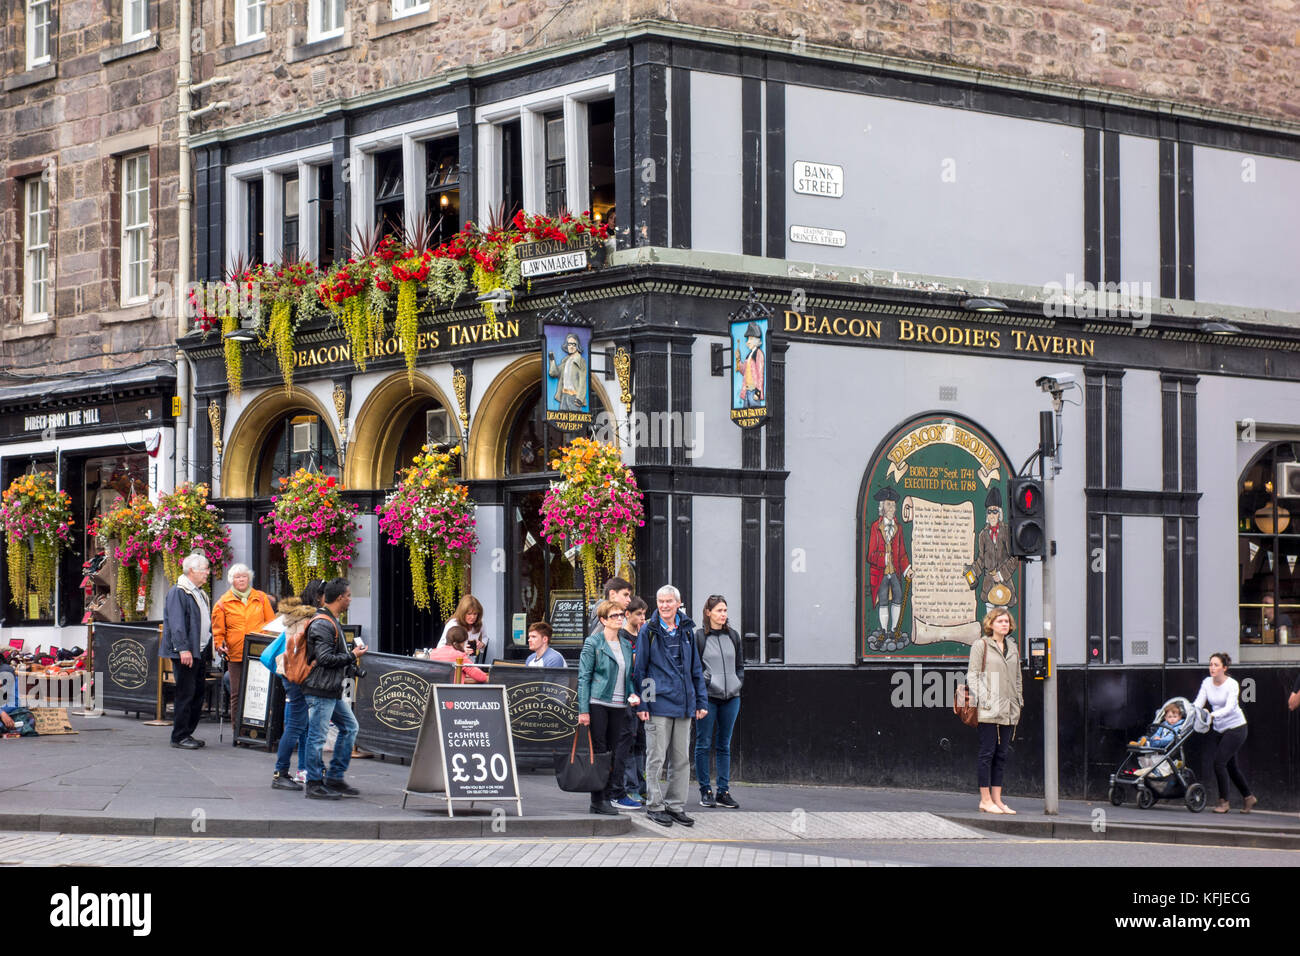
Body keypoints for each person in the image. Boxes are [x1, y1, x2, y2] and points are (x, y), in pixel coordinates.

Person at [633, 585, 707, 828]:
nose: (664, 605)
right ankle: (655, 805)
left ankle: (675, 806)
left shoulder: (687, 630)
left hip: (685, 704)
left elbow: (696, 669)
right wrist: (643, 702)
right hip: (657, 704)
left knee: (681, 759)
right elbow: (641, 669)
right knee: (655, 758)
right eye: (660, 601)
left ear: (678, 603)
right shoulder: (648, 630)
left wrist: (700, 701)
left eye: (668, 601)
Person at [301, 578, 368, 800]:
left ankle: (335, 778)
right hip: (320, 689)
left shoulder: (331, 620)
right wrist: (353, 656)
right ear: (340, 598)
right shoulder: (323, 623)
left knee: (350, 727)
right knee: (317, 737)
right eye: (348, 595)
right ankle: (314, 783)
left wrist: (349, 660)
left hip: (330, 688)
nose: (350, 599)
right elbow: (325, 658)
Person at [577, 600, 641, 815]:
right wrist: (583, 710)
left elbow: (628, 675)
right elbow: (584, 677)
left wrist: (632, 692)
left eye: (621, 615)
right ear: (603, 620)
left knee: (613, 753)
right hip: (598, 703)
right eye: (614, 616)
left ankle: (607, 797)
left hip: (619, 705)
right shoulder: (593, 643)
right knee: (601, 752)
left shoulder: (625, 643)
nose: (619, 618)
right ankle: (597, 800)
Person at [260, 580, 324, 790]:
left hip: (292, 675)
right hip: (299, 676)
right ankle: (281, 772)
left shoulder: (295, 617)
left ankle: (303, 770)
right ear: (318, 597)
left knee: (301, 725)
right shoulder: (309, 619)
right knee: (298, 726)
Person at [967, 607, 1023, 814]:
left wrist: (1019, 700)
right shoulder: (980, 645)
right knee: (987, 753)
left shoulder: (1013, 647)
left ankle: (998, 800)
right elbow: (972, 676)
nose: (1004, 624)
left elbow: (1017, 677)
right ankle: (985, 799)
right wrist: (986, 698)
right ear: (990, 624)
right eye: (1000, 621)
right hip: (988, 709)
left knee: (1002, 755)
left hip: (1009, 709)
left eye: (1007, 621)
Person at [211, 562, 276, 742]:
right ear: (232, 580)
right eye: (237, 577)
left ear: (249, 578)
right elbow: (218, 631)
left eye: (244, 576)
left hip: (260, 653)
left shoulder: (261, 598)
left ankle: (259, 727)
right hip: (236, 653)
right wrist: (219, 644)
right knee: (237, 692)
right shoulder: (223, 603)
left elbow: (271, 624)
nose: (241, 580)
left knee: (261, 691)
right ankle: (237, 730)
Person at [694, 595, 744, 809]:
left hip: (732, 697)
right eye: (718, 611)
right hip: (708, 698)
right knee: (703, 744)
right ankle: (705, 790)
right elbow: (694, 669)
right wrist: (705, 686)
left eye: (725, 610)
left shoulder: (733, 636)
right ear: (708, 613)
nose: (723, 614)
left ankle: (723, 791)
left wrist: (738, 683)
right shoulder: (699, 637)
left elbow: (740, 665)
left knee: (724, 745)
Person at [161, 553, 214, 751]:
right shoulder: (179, 592)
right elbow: (177, 624)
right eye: (205, 569)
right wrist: (183, 649)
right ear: (192, 571)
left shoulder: (198, 592)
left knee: (197, 693)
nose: (207, 573)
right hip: (186, 652)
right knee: (186, 693)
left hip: (198, 651)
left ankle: (187, 732)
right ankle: (180, 735)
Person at [1194, 652, 1255, 813]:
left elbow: (1229, 707)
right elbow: (1198, 703)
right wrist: (1189, 711)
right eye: (1210, 664)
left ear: (1224, 668)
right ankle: (1249, 797)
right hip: (1220, 729)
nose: (1212, 668)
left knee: (1219, 763)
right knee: (1232, 767)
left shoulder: (1232, 684)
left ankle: (1224, 803)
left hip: (1236, 728)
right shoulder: (1207, 682)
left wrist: (1212, 715)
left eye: (1216, 665)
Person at [866, 486, 912, 650]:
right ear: (882, 508)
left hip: (895, 573)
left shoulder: (898, 528)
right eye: (889, 505)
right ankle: (884, 632)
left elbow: (902, 553)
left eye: (893, 505)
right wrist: (883, 558)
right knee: (883, 600)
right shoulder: (874, 527)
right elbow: (870, 555)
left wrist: (907, 569)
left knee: (898, 597)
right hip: (881, 573)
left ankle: (893, 631)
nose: (892, 509)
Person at [620, 597, 649, 803]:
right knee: (629, 740)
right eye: (638, 613)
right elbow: (629, 664)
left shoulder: (645, 635)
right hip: (628, 693)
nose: (642, 618)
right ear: (628, 614)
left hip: (645, 690)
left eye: (644, 614)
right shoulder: (622, 636)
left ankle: (641, 785)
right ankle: (631, 787)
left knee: (641, 741)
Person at [437, 594, 490, 661]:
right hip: (453, 662)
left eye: (475, 614)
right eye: (469, 614)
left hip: (470, 662)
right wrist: (461, 650)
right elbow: (441, 647)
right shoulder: (453, 624)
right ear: (462, 613)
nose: (472, 617)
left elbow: (485, 637)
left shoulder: (480, 623)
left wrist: (481, 644)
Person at [548, 332, 588, 412]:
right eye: (569, 344)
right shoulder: (565, 361)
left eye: (574, 344)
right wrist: (552, 360)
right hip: (564, 395)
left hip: (574, 397)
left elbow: (582, 381)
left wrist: (579, 398)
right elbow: (553, 373)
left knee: (576, 422)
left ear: (577, 346)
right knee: (562, 422)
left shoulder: (581, 361)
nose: (571, 347)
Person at [734, 321, 765, 409]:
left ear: (756, 340)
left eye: (750, 339)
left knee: (755, 414)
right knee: (746, 415)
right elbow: (743, 371)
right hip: (746, 391)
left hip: (753, 391)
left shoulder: (758, 354)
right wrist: (738, 359)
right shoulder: (749, 355)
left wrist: (758, 392)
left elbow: (760, 375)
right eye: (748, 339)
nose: (748, 342)